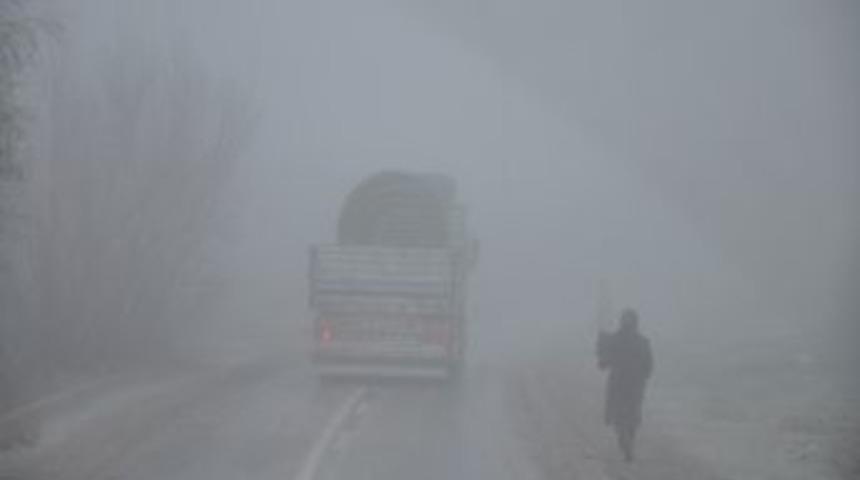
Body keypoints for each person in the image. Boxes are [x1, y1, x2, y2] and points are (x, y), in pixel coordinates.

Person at [596, 308, 653, 462]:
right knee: (632, 413)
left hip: (619, 382)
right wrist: (643, 376)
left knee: (618, 412)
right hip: (635, 383)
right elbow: (649, 366)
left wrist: (602, 352)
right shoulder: (642, 341)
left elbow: (603, 363)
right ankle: (628, 441)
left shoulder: (614, 339)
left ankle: (624, 439)